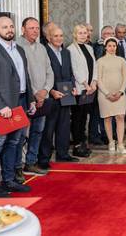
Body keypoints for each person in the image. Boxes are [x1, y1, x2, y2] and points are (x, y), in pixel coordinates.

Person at [0, 16, 35, 197]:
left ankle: (9, 180)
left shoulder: (19, 49)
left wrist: (31, 99)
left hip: (20, 102)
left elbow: (24, 76)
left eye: (11, 26)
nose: (9, 30)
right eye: (4, 27)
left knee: (14, 143)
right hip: (1, 107)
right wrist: (1, 106)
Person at [15, 17, 54, 176]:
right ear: (23, 29)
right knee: (20, 135)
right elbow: (21, 75)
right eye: (31, 28)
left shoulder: (42, 48)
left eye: (37, 28)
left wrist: (45, 90)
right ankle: (17, 166)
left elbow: (49, 72)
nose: (35, 31)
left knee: (38, 131)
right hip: (25, 98)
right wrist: (35, 93)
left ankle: (30, 163)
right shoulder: (17, 46)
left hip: (42, 97)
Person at [40, 25, 78, 164]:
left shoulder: (66, 52)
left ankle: (63, 154)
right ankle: (44, 158)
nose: (59, 38)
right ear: (48, 37)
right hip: (51, 96)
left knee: (64, 126)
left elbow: (70, 73)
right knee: (48, 129)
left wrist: (73, 87)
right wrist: (51, 91)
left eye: (61, 35)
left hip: (66, 95)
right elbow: (42, 75)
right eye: (55, 36)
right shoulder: (44, 51)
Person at [67, 24, 97, 158]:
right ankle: (77, 146)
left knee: (84, 117)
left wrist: (94, 82)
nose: (83, 35)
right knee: (77, 118)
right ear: (75, 34)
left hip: (90, 89)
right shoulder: (71, 49)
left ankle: (83, 143)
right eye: (80, 33)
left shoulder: (89, 48)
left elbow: (94, 66)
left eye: (85, 33)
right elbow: (75, 70)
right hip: (80, 89)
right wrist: (86, 84)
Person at [96, 38, 126, 153]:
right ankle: (111, 141)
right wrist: (107, 93)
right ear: (105, 47)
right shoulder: (100, 61)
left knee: (120, 117)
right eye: (109, 46)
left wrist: (120, 91)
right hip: (104, 95)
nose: (112, 48)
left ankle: (120, 144)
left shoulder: (121, 60)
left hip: (120, 94)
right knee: (107, 118)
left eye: (114, 46)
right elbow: (98, 79)